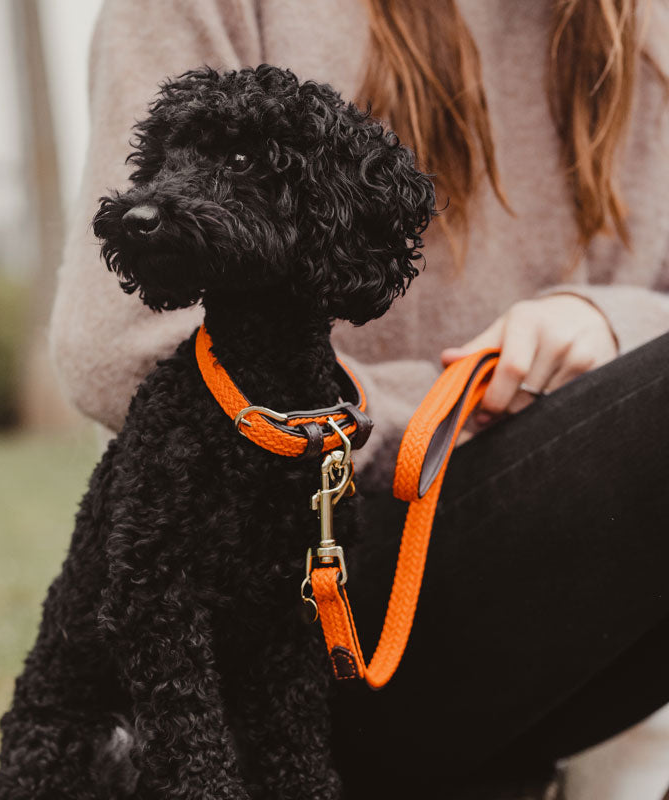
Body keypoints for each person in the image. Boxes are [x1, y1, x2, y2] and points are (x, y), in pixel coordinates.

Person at [49, 0, 669, 797]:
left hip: (552, 590)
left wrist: (604, 318)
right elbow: (116, 345)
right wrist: (447, 409)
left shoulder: (633, 22)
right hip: (308, 587)